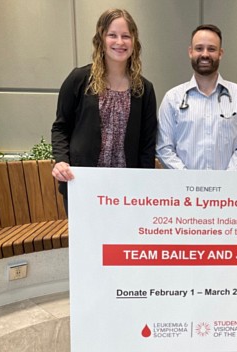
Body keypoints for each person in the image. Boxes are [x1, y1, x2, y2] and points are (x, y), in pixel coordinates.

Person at [51, 8, 157, 212]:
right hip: (82, 183)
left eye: (126, 36)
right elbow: (61, 128)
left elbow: (147, 144)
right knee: (87, 244)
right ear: (101, 39)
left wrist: (145, 186)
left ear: (134, 41)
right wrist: (61, 162)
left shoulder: (144, 89)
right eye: (112, 35)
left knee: (121, 244)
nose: (120, 42)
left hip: (126, 191)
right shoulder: (79, 79)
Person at [156, 24, 237, 170]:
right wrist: (190, 182)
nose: (205, 54)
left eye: (211, 49)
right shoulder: (172, 98)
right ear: (190, 52)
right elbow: (164, 148)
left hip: (230, 188)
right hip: (184, 189)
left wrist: (224, 181)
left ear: (220, 53)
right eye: (199, 48)